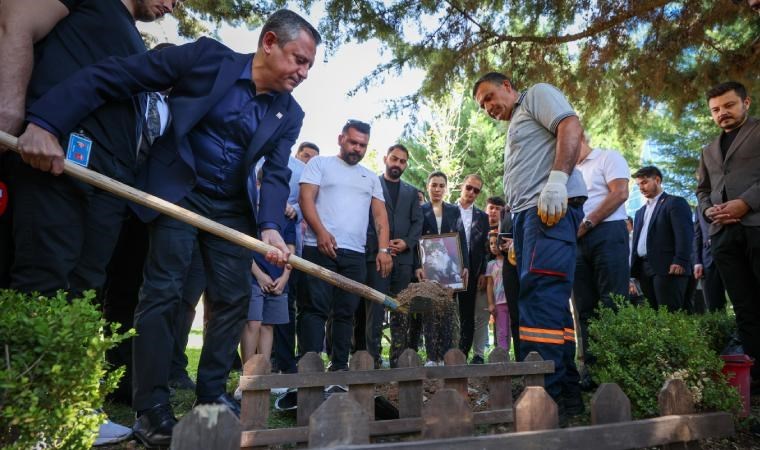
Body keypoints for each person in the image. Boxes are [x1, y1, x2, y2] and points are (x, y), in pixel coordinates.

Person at [14, 9, 321, 446]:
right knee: (164, 290)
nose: (304, 72)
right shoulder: (205, 59)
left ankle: (212, 394)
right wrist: (46, 120)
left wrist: (270, 225)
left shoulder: (289, 113)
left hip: (232, 208)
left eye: (309, 65)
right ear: (269, 42)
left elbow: (275, 173)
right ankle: (151, 407)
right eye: (299, 59)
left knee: (232, 298)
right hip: (179, 192)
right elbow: (117, 75)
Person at [0, 0, 178, 445]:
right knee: (44, 278)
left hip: (106, 181)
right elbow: (14, 18)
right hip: (51, 158)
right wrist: (15, 117)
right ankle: (25, 410)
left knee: (85, 291)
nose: (172, 4)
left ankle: (72, 406)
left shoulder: (131, 36)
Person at [473, 72, 587, 419]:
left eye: (491, 96)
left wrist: (556, 181)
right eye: (483, 106)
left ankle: (543, 397)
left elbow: (570, 125)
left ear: (508, 86)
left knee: (540, 296)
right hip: (528, 218)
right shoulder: (517, 124)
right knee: (546, 302)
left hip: (547, 210)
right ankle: (565, 395)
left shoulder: (536, 95)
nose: (490, 107)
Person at [298, 120, 392, 371]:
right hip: (318, 247)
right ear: (341, 139)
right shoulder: (320, 164)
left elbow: (380, 216)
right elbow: (306, 197)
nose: (357, 149)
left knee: (345, 312)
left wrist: (383, 250)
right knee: (313, 309)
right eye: (353, 142)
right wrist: (320, 232)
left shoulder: (370, 177)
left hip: (355, 254)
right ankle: (310, 365)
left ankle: (339, 366)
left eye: (363, 145)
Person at [697, 80, 760, 383]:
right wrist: (709, 210)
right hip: (723, 237)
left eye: (729, 105)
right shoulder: (708, 150)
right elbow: (702, 190)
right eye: (716, 109)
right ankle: (756, 379)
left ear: (746, 103)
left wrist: (745, 203)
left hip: (756, 226)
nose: (722, 113)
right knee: (744, 309)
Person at [354, 144, 422, 369]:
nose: (397, 164)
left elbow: (417, 222)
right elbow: (364, 220)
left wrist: (406, 243)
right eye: (394, 159)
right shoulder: (371, 185)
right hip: (375, 258)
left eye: (402, 161)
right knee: (374, 310)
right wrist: (379, 247)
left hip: (403, 262)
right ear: (385, 158)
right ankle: (372, 360)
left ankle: (397, 360)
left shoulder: (412, 192)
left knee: (400, 310)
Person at [573, 132, 630, 371]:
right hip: (575, 239)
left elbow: (620, 192)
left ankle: (616, 368)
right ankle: (593, 370)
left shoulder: (607, 157)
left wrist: (588, 223)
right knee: (584, 307)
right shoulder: (564, 173)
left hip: (606, 231)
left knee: (613, 302)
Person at [416, 171, 468, 366]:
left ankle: (446, 355)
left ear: (446, 188)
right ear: (428, 187)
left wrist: (465, 267)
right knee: (429, 311)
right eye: (433, 185)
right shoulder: (420, 210)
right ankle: (431, 357)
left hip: (450, 269)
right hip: (427, 269)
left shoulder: (454, 210)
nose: (437, 189)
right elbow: (415, 240)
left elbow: (461, 239)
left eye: (441, 185)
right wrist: (416, 267)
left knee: (447, 311)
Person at [630, 166, 693, 311]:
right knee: (653, 315)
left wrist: (681, 260)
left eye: (644, 182)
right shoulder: (640, 212)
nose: (641, 187)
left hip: (668, 267)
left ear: (657, 180)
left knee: (670, 314)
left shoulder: (674, 203)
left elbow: (684, 234)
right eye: (639, 184)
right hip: (643, 269)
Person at [455, 174, 490, 363]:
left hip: (473, 271)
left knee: (467, 314)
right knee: (445, 311)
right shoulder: (448, 210)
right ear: (462, 186)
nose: (471, 192)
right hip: (449, 268)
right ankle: (443, 353)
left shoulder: (482, 217)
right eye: (469, 187)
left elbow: (485, 248)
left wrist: (483, 271)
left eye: (476, 190)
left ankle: (462, 353)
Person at [471, 195, 506, 363]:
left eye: (498, 209)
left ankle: (501, 353)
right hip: (481, 279)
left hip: (503, 284)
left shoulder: (506, 230)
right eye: (491, 207)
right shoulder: (478, 227)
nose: (493, 211)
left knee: (503, 320)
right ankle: (478, 354)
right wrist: (481, 273)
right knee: (481, 317)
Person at [693, 207, 727, 312]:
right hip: (707, 260)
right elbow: (697, 234)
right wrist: (697, 262)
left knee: (745, 300)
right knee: (713, 306)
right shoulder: (699, 208)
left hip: (734, 254)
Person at [485, 232, 510, 351]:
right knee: (501, 330)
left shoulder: (510, 261)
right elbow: (489, 285)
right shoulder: (490, 265)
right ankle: (503, 355)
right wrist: (490, 303)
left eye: (496, 243)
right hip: (499, 302)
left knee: (512, 329)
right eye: (491, 244)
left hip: (511, 300)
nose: (494, 246)